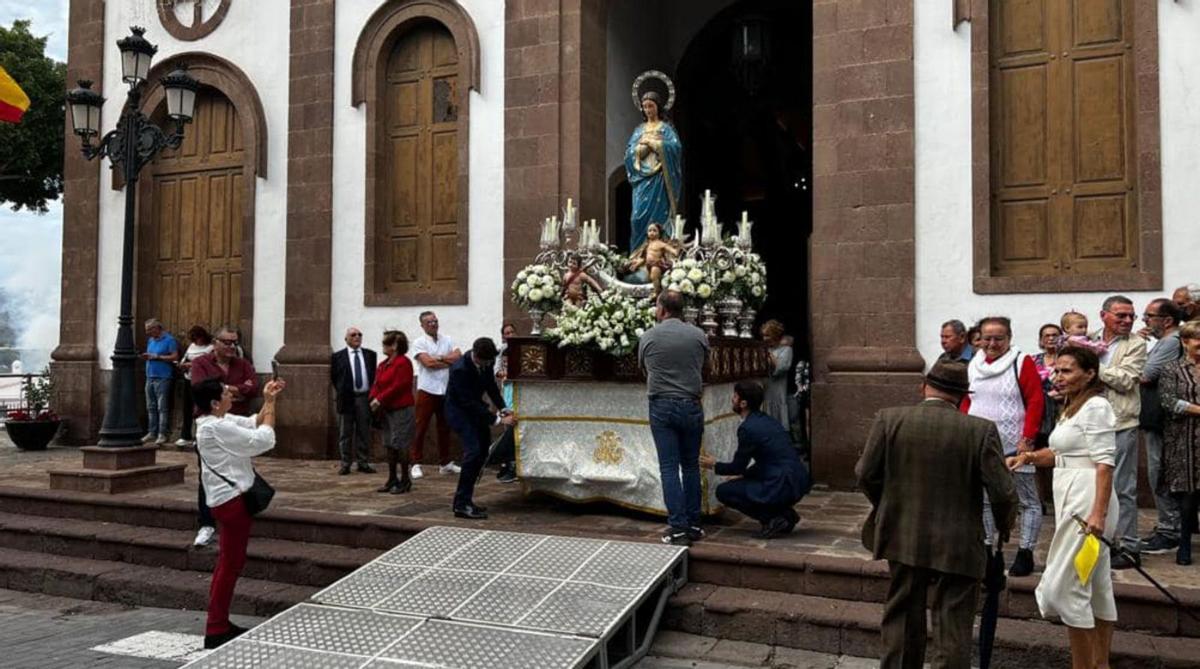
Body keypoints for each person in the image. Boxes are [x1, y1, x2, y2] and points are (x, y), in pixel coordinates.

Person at [856, 360, 1017, 669]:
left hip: (902, 533)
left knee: (902, 615)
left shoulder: (889, 419)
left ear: (923, 387)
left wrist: (888, 504)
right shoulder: (980, 430)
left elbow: (865, 474)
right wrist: (1002, 529)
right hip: (959, 541)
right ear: (961, 396)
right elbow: (1004, 492)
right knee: (953, 624)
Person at [1007, 346, 1118, 668]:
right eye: (1057, 370)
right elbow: (1063, 454)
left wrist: (1098, 514)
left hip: (1086, 499)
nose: (1059, 377)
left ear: (1090, 373)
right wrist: (1028, 457)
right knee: (1095, 584)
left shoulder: (1096, 406)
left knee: (1064, 587)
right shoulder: (1072, 407)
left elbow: (1104, 463)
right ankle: (1100, 663)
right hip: (1071, 493)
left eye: (1067, 371)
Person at [194, 377, 285, 650]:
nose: (229, 393)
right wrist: (269, 405)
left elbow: (251, 422)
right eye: (224, 392)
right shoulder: (215, 428)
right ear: (214, 402)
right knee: (230, 565)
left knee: (227, 563)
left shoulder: (216, 423)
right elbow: (264, 440)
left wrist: (270, 400)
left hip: (225, 500)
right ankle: (216, 627)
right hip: (231, 502)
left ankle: (218, 621)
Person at [960, 316, 1045, 576]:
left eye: (999, 338)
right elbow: (966, 400)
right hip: (981, 443)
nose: (992, 343)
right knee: (984, 500)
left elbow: (1035, 400)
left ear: (1009, 339)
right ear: (979, 339)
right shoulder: (973, 364)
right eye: (987, 338)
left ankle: (1025, 552)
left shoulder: (1021, 361)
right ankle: (987, 551)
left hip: (1015, 445)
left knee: (1027, 501)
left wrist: (1028, 438)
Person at [638, 290, 710, 546]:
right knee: (690, 465)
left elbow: (644, 367)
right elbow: (706, 366)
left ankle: (677, 527)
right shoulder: (698, 334)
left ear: (662, 310)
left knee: (669, 467)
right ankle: (693, 523)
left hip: (662, 405)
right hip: (691, 403)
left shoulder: (649, 336)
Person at [699, 381, 810, 538]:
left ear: (743, 403)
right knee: (743, 483)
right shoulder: (766, 420)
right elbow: (768, 459)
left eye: (735, 397)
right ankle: (785, 514)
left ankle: (773, 518)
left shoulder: (748, 428)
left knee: (724, 491)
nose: (732, 399)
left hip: (782, 483)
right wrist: (745, 475)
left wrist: (714, 465)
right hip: (797, 480)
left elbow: (738, 466)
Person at [190, 325, 260, 548]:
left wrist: (223, 388)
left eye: (234, 342)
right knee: (208, 475)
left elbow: (253, 387)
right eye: (226, 342)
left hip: (237, 427)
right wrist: (236, 390)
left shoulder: (243, 364)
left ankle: (242, 516)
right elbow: (201, 389)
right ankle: (207, 524)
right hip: (210, 428)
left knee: (244, 471)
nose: (231, 346)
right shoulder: (201, 363)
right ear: (215, 343)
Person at [1090, 295, 1148, 569]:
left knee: (1123, 486)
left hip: (1121, 422)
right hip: (1090, 421)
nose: (1127, 321)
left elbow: (1126, 380)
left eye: (1131, 316)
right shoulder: (1088, 338)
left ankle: (1128, 546)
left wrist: (1091, 368)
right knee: (1092, 485)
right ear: (1104, 316)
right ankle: (1100, 541)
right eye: (1120, 316)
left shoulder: (1136, 343)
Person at [444, 337, 516, 519]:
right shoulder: (460, 369)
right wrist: (498, 421)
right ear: (477, 356)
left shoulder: (485, 363)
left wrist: (503, 407)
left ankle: (467, 498)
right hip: (460, 413)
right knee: (473, 451)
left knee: (484, 450)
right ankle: (461, 504)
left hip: (477, 411)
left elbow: (491, 387)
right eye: (486, 361)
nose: (489, 364)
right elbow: (466, 403)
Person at [1138, 299, 1186, 556]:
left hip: (1162, 419)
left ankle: (1170, 532)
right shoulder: (1164, 342)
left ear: (1166, 320)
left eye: (1148, 316)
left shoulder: (1170, 342)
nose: (1144, 321)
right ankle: (1171, 527)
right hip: (1157, 419)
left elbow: (1145, 375)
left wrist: (1132, 349)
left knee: (1160, 473)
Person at [1159, 320, 1200, 565]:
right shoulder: (1172, 369)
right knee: (1188, 494)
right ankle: (1184, 543)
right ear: (1185, 342)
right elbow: (1169, 401)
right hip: (1183, 440)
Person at [624, 90, 683, 251]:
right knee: (637, 218)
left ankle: (660, 252)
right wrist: (640, 150)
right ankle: (637, 255)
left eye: (651, 106)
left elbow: (676, 148)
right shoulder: (639, 130)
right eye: (645, 107)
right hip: (642, 178)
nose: (648, 110)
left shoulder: (666, 129)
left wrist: (657, 145)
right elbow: (629, 154)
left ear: (658, 107)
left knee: (659, 215)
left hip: (659, 177)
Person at [410, 311, 462, 478]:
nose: (433, 324)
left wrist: (438, 358)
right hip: (427, 389)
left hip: (445, 390)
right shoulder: (419, 342)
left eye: (435, 321)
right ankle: (415, 463)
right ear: (422, 325)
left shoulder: (447, 339)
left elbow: (458, 358)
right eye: (429, 322)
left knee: (444, 427)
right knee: (420, 427)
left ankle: (445, 463)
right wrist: (446, 360)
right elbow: (428, 363)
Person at [369, 330, 415, 494]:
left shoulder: (403, 363)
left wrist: (379, 399)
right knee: (389, 443)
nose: (383, 346)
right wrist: (372, 398)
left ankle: (405, 480)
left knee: (401, 444)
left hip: (401, 409)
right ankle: (391, 478)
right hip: (387, 409)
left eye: (386, 343)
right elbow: (377, 383)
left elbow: (399, 385)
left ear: (394, 346)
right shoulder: (384, 364)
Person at [330, 327, 377, 476]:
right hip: (347, 398)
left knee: (364, 431)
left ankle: (363, 462)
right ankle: (345, 463)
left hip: (364, 398)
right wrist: (343, 391)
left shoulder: (370, 355)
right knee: (345, 432)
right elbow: (334, 377)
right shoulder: (338, 356)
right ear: (346, 339)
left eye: (359, 334)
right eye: (353, 335)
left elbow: (373, 375)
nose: (357, 337)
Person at [141, 319, 179, 445]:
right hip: (150, 376)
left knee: (162, 407)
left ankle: (162, 434)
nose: (147, 332)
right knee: (150, 407)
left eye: (149, 329)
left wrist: (158, 357)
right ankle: (152, 432)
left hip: (163, 377)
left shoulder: (170, 340)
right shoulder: (151, 340)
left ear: (157, 328)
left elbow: (175, 356)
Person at [176, 325, 214, 448]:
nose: (196, 340)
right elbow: (184, 359)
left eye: (198, 337)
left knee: (201, 408)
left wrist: (192, 365)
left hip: (202, 381)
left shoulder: (210, 348)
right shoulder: (191, 347)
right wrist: (182, 365)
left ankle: (199, 435)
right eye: (194, 338)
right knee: (187, 408)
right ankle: (185, 435)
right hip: (189, 379)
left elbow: (209, 363)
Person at [492, 322, 519, 484]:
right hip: (507, 390)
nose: (509, 335)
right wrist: (503, 374)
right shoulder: (501, 350)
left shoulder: (522, 349)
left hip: (519, 390)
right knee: (507, 425)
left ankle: (514, 464)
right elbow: (496, 370)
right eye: (506, 333)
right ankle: (507, 462)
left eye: (512, 332)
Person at [626, 222, 679, 295]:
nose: (652, 232)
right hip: (648, 265)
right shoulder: (647, 245)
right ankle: (649, 292)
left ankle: (657, 293)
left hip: (657, 265)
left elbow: (671, 250)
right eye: (650, 230)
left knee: (654, 274)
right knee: (648, 279)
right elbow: (643, 258)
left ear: (659, 233)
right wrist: (636, 265)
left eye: (654, 230)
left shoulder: (661, 244)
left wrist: (675, 250)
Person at [760, 320, 793, 428]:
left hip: (777, 390)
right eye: (764, 335)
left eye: (768, 335)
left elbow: (780, 367)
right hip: (765, 389)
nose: (765, 338)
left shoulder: (786, 350)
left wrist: (768, 354)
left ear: (775, 335)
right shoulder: (763, 349)